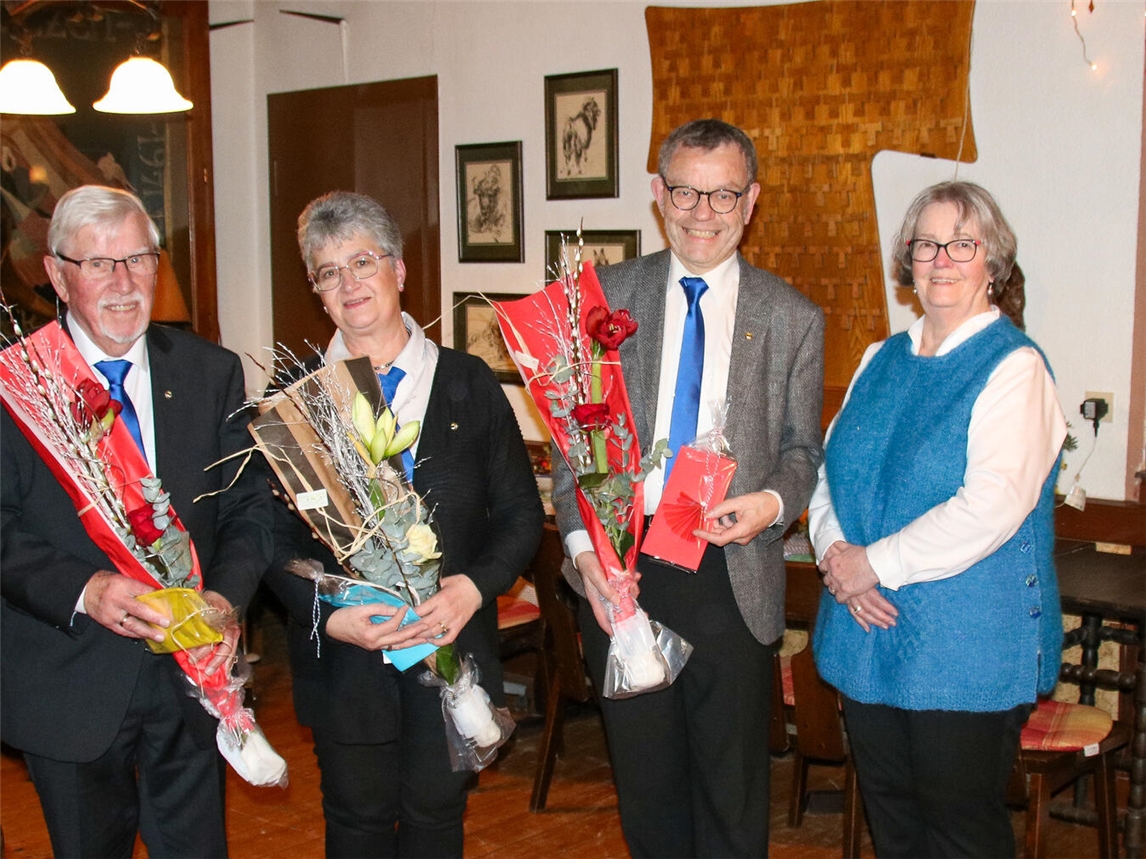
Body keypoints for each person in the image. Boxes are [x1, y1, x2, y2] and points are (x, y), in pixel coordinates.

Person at [552, 118, 825, 857]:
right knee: (647, 795)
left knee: (732, 801)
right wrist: (586, 561)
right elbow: (569, 448)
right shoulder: (602, 297)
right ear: (657, 194)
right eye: (686, 191)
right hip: (622, 580)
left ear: (752, 199)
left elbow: (803, 451)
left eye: (723, 194)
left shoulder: (792, 317)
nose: (703, 212)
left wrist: (769, 505)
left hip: (731, 581)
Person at [263, 191, 543, 859]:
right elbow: (266, 541)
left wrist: (473, 588)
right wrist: (330, 617)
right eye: (329, 271)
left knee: (436, 817)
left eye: (363, 261)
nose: (350, 283)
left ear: (400, 270)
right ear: (318, 292)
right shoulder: (295, 398)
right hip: (347, 661)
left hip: (451, 650)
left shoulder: (469, 383)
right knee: (356, 822)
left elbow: (520, 514)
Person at [1, 185, 274, 858]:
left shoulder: (211, 371)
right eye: (99, 264)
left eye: (139, 258)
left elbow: (249, 508)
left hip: (191, 677)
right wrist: (87, 589)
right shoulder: (16, 385)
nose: (124, 283)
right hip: (68, 681)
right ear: (57, 276)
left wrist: (224, 597)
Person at [810, 180, 1066, 858]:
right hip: (868, 631)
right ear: (908, 259)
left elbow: (989, 509)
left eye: (962, 242)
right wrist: (838, 557)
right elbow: (828, 474)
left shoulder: (1015, 368)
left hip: (964, 645)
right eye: (927, 242)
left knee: (959, 833)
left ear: (993, 262)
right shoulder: (879, 358)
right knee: (893, 824)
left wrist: (873, 564)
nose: (942, 258)